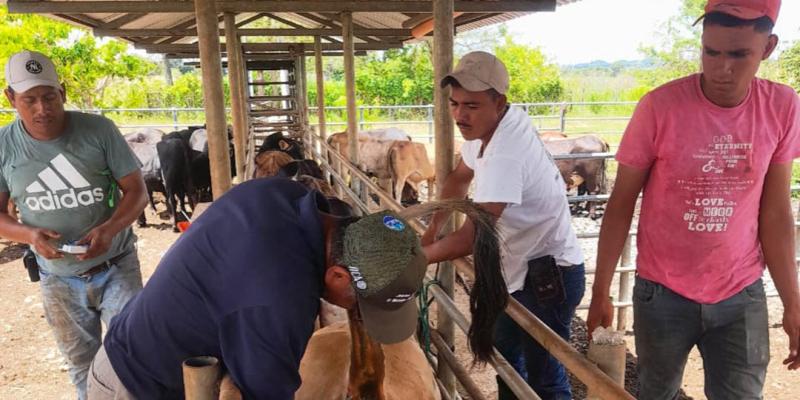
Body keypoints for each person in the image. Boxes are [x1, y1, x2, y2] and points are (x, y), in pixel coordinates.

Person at [587, 0, 800, 398]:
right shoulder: (660, 106)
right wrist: (601, 291)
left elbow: (775, 212)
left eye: (739, 54)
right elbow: (620, 205)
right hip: (662, 291)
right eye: (711, 52)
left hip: (741, 290)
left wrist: (793, 301)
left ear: (768, 48)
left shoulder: (782, 107)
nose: (722, 69)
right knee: (657, 391)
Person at [86, 177, 430, 399]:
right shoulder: (278, 304)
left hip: (136, 345)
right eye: (360, 304)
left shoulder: (286, 194)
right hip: (139, 386)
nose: (356, 313)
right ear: (338, 276)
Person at [421, 51, 585, 400]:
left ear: (499, 103)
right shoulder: (496, 126)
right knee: (507, 362)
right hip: (517, 269)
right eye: (455, 103)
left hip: (546, 277)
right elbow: (457, 179)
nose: (460, 115)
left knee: (544, 379)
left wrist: (418, 260)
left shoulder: (505, 153)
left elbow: (471, 237)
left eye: (472, 106)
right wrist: (432, 230)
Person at [0, 50, 148, 400]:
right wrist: (29, 235)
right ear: (10, 98)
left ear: (62, 92)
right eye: (29, 99)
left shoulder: (99, 130)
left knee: (136, 353)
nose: (42, 109)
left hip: (116, 266)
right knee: (83, 365)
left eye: (49, 97)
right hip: (56, 276)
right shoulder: (4, 145)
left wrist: (109, 230)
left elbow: (137, 191)